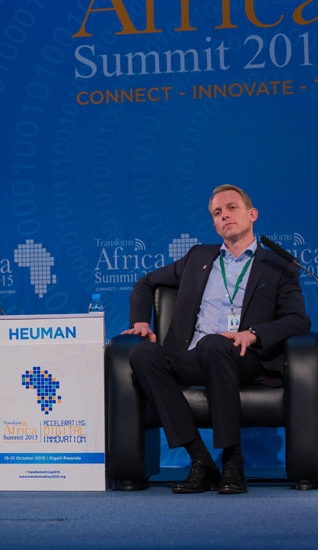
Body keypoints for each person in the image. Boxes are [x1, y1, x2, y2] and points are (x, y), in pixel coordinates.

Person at [122, 185, 310, 494]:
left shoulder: (278, 267)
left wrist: (253, 334)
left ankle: (233, 463)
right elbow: (146, 282)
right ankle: (202, 461)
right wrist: (140, 321)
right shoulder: (198, 258)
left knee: (214, 344)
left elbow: (298, 320)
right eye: (217, 213)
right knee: (143, 355)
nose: (224, 215)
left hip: (244, 357)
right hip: (193, 354)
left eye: (232, 208)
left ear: (252, 215)